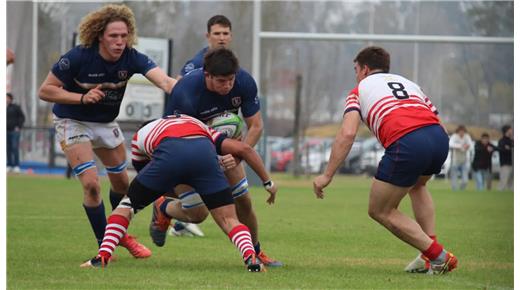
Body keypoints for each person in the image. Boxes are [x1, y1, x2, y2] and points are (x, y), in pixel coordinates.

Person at [38, 4, 177, 259]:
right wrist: (81, 98)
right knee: (91, 185)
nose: (120, 41)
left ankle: (120, 233)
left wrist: (188, 91)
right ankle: (105, 244)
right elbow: (45, 90)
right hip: (72, 119)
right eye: (114, 36)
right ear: (100, 35)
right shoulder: (78, 57)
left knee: (124, 185)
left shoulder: (132, 57)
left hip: (105, 123)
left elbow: (166, 82)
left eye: (124, 36)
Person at [313, 46, 457, 275]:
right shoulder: (409, 83)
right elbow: (436, 121)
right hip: (439, 138)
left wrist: (326, 175)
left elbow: (347, 133)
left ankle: (438, 256)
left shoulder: (358, 90)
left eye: (356, 70)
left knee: (380, 210)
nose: (356, 75)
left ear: (365, 69)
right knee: (418, 185)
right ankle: (427, 258)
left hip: (408, 141)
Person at [80, 114, 277, 272]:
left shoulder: (140, 136)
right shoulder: (196, 123)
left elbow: (149, 179)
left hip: (169, 156)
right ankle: (251, 258)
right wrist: (268, 183)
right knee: (229, 219)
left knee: (127, 206)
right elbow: (244, 148)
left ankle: (102, 257)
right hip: (204, 156)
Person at [159, 47, 282, 267]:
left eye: (230, 80)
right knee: (198, 214)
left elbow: (256, 126)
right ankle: (163, 208)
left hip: (226, 149)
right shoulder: (186, 90)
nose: (227, 86)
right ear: (207, 75)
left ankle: (255, 251)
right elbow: (177, 135)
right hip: (188, 148)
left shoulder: (244, 82)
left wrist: (237, 157)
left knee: (243, 201)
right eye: (221, 81)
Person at [168, 15, 233, 237]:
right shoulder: (197, 64)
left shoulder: (227, 63)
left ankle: (175, 218)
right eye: (217, 34)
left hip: (211, 135)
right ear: (208, 36)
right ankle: (170, 214)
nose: (222, 38)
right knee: (197, 187)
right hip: (189, 132)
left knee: (209, 190)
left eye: (225, 33)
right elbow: (178, 89)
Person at [448, 125, 472, 191]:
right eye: (460, 131)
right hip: (455, 160)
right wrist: (461, 146)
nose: (461, 133)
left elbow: (470, 145)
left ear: (464, 132)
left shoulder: (467, 137)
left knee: (465, 180)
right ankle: (455, 191)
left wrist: (467, 146)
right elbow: (450, 144)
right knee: (454, 177)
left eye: (463, 131)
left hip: (464, 160)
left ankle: (461, 190)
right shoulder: (454, 136)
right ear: (458, 131)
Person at [6, 93, 25, 173]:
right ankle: (9, 165)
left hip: (14, 131)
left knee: (14, 148)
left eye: (7, 98)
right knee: (8, 149)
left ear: (10, 98)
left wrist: (18, 126)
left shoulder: (16, 107)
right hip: (6, 131)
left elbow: (22, 117)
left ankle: (16, 166)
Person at [498, 125, 513, 191]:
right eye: (510, 130)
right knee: (503, 181)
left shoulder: (512, 141)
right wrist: (508, 148)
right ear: (506, 131)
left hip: (512, 164)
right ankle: (499, 195)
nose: (512, 131)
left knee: (512, 182)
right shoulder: (502, 141)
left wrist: (509, 148)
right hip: (505, 164)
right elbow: (503, 149)